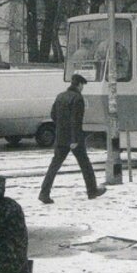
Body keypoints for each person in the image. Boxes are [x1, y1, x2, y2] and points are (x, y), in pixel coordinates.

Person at [38, 73, 106, 204]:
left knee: (54, 166)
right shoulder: (77, 98)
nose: (82, 88)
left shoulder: (60, 96)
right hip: (74, 138)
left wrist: (61, 127)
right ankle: (92, 191)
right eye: (82, 85)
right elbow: (76, 120)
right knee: (85, 165)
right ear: (79, 85)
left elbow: (53, 115)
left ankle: (44, 193)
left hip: (60, 136)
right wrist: (74, 140)